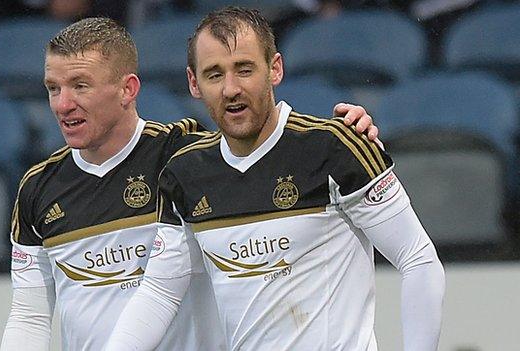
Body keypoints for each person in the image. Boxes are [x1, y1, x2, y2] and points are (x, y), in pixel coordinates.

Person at [0, 16, 380, 351]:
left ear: (128, 89)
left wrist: (351, 130)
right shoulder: (38, 187)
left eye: (80, 86)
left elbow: (263, 141)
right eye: (53, 88)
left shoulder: (187, 158)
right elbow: (30, 316)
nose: (63, 104)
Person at [106, 6, 445, 351]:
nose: (231, 89)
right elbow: (160, 294)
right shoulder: (185, 174)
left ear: (275, 69)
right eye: (214, 74)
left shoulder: (335, 147)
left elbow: (417, 258)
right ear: (194, 83)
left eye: (244, 69)